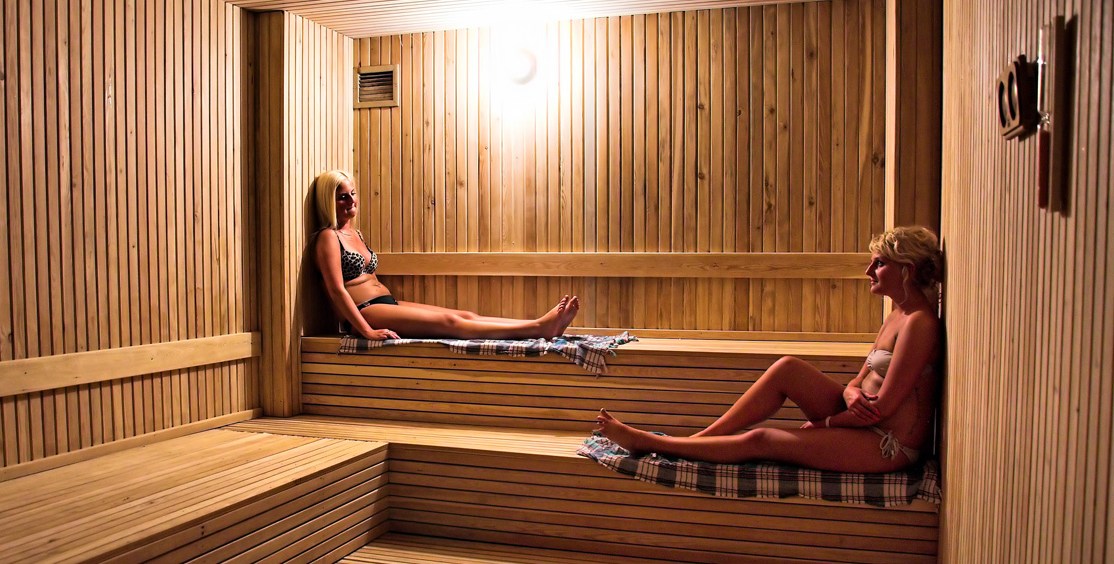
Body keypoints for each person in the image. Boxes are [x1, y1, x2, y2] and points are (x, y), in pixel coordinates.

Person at [595, 226, 942, 472]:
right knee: (787, 368)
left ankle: (655, 444)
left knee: (763, 439)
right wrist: (850, 392)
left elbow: (882, 409)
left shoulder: (919, 324)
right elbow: (860, 378)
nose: (868, 271)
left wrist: (824, 424)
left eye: (879, 263)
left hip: (886, 441)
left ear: (907, 270)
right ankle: (701, 441)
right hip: (858, 416)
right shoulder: (897, 313)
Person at [311, 169, 581, 341]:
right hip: (364, 312)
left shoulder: (356, 234)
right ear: (328, 201)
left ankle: (537, 324)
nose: (351, 201)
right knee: (450, 323)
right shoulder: (328, 237)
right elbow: (337, 290)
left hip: (385, 304)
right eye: (342, 197)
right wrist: (366, 330)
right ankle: (539, 329)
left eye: (353, 193)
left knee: (466, 315)